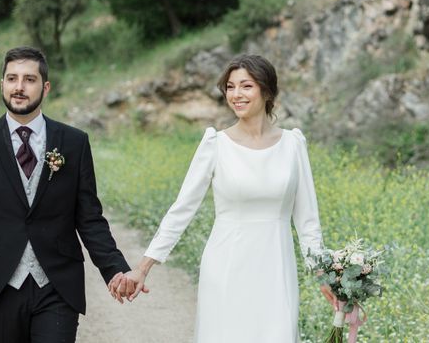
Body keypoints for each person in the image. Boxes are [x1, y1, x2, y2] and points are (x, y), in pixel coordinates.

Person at [116, 54, 337, 342]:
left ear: (267, 91)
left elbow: (308, 220)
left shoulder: (293, 144)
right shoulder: (215, 144)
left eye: (246, 86)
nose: (236, 95)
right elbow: (182, 209)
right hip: (226, 266)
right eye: (230, 87)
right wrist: (143, 268)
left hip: (276, 269)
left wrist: (325, 275)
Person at [0, 46, 137, 342]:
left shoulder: (74, 142)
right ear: (2, 84)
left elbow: (90, 218)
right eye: (12, 78)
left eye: (29, 79)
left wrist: (115, 269)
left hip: (57, 283)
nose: (19, 87)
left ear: (45, 87)